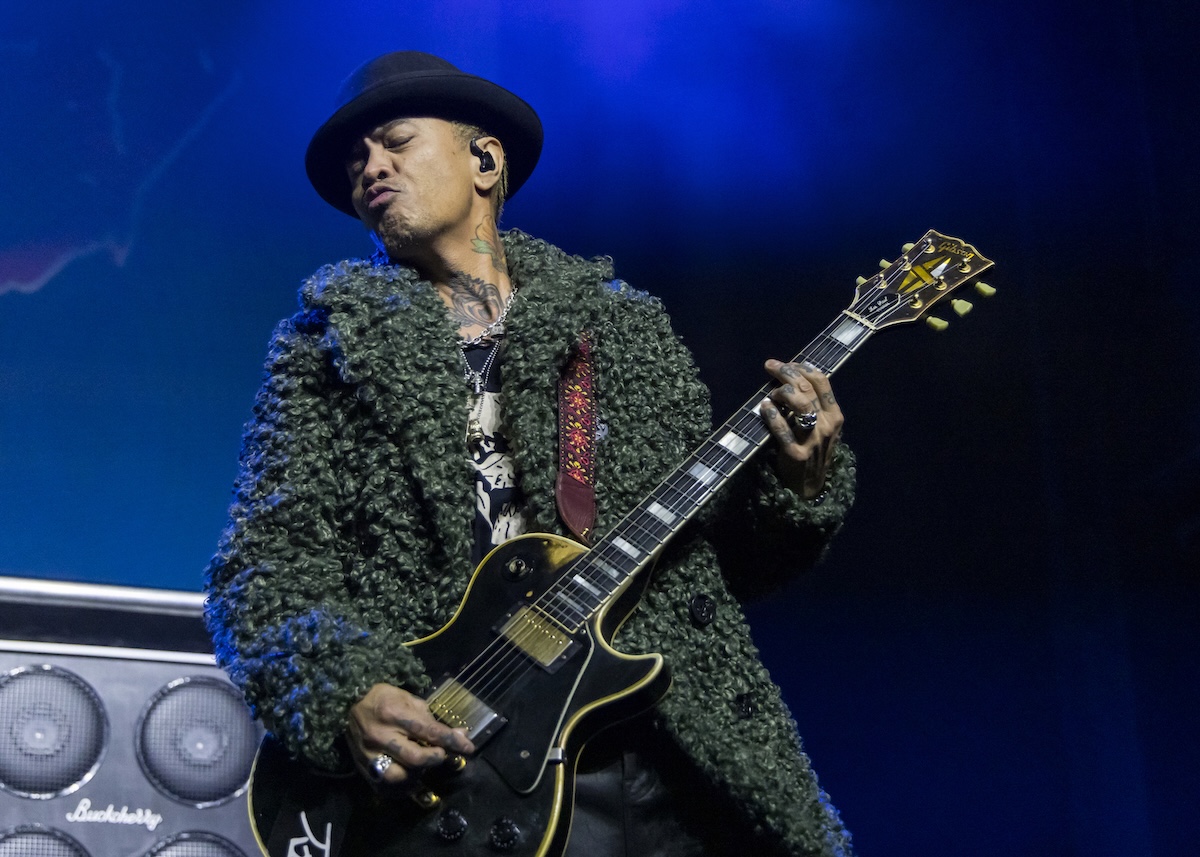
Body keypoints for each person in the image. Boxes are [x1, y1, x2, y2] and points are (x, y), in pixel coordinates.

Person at [205, 51, 857, 857]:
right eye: (355, 161)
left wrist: (797, 481)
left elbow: (719, 562)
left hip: (662, 760)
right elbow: (261, 572)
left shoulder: (617, 327)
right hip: (461, 774)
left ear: (486, 159)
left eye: (396, 142)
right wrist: (348, 693)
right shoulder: (324, 349)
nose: (370, 167)